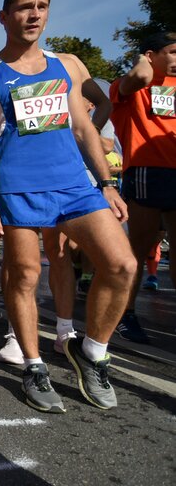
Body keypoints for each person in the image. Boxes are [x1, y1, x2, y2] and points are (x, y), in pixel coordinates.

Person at [0, 0, 135, 413]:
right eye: (24, 7)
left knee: (121, 265)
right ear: (4, 17)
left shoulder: (69, 65)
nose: (34, 14)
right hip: (16, 187)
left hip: (75, 186)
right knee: (23, 276)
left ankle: (92, 352)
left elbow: (82, 127)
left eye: (41, 6)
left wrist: (107, 182)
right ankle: (34, 367)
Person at [96, 32, 176, 344]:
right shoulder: (129, 85)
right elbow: (139, 75)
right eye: (171, 52)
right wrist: (145, 63)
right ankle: (125, 314)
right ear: (151, 55)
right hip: (146, 171)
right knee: (138, 250)